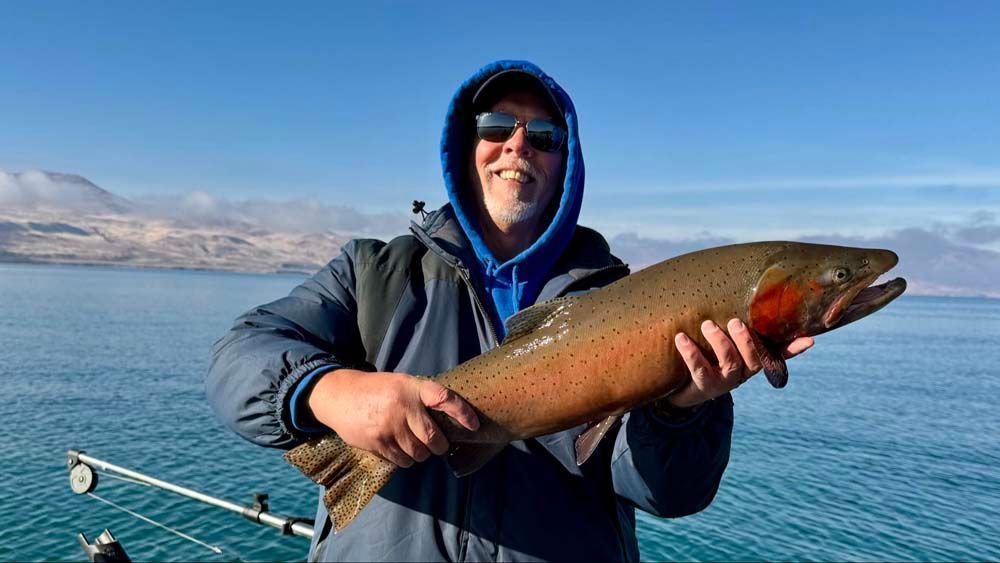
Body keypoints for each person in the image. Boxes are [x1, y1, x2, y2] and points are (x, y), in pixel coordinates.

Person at [206, 60, 813, 562]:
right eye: (498, 126)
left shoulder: (621, 299)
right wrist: (331, 392)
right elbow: (241, 355)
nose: (518, 145)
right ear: (467, 145)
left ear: (565, 165)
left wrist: (683, 412)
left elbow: (668, 493)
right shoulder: (374, 273)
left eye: (544, 137)